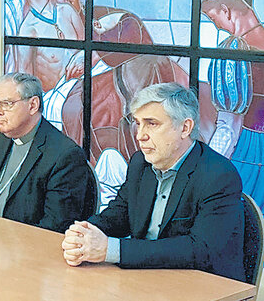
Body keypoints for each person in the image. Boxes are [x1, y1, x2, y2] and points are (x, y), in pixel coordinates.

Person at [62, 82, 245, 282]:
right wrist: (84, 233)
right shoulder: (140, 163)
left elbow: (199, 250)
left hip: (204, 285)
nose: (140, 136)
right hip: (147, 278)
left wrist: (111, 250)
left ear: (185, 127)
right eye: (138, 123)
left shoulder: (219, 175)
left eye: (152, 123)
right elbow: (120, 213)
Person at [0, 73, 96, 233]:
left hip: (21, 247)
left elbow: (54, 227)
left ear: (33, 105)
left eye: (7, 104)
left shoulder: (64, 155)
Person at [201, 0, 264, 209]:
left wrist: (207, 167)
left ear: (225, 10)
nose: (216, 25)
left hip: (250, 152)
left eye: (211, 17)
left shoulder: (233, 52)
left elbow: (228, 128)